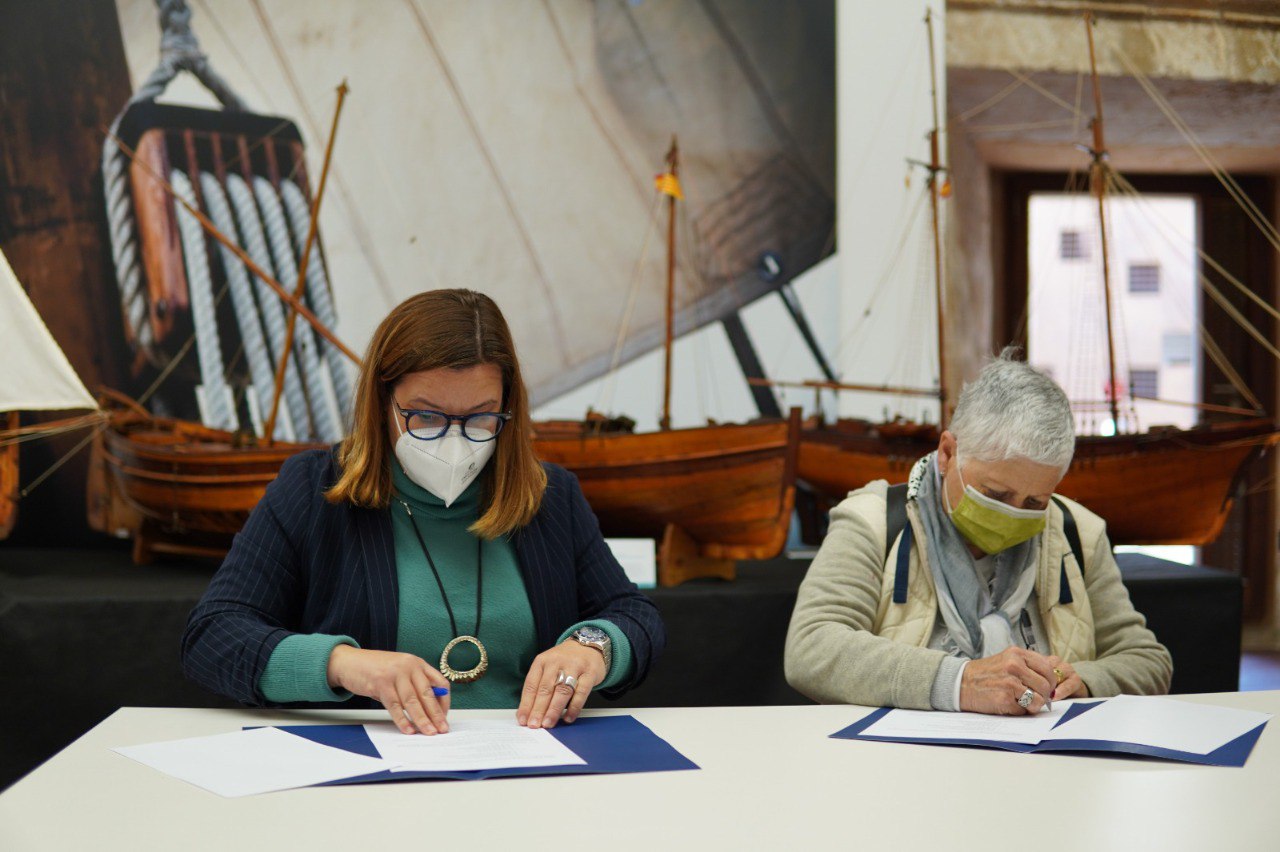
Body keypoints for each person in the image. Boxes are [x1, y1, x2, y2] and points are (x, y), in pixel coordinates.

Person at [183, 289, 664, 735]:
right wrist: (345, 664)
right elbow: (213, 637)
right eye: (426, 416)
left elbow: (631, 614)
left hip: (532, 767)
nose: (454, 441)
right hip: (371, 777)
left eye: (480, 417)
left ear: (508, 409)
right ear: (381, 403)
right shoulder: (314, 490)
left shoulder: (550, 495)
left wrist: (594, 646)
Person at [784, 350, 1172, 714]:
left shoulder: (1078, 532)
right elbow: (812, 648)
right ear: (948, 454)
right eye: (995, 494)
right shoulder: (872, 522)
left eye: (1035, 502)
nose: (1012, 514)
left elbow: (1148, 660)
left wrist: (1086, 680)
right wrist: (959, 682)